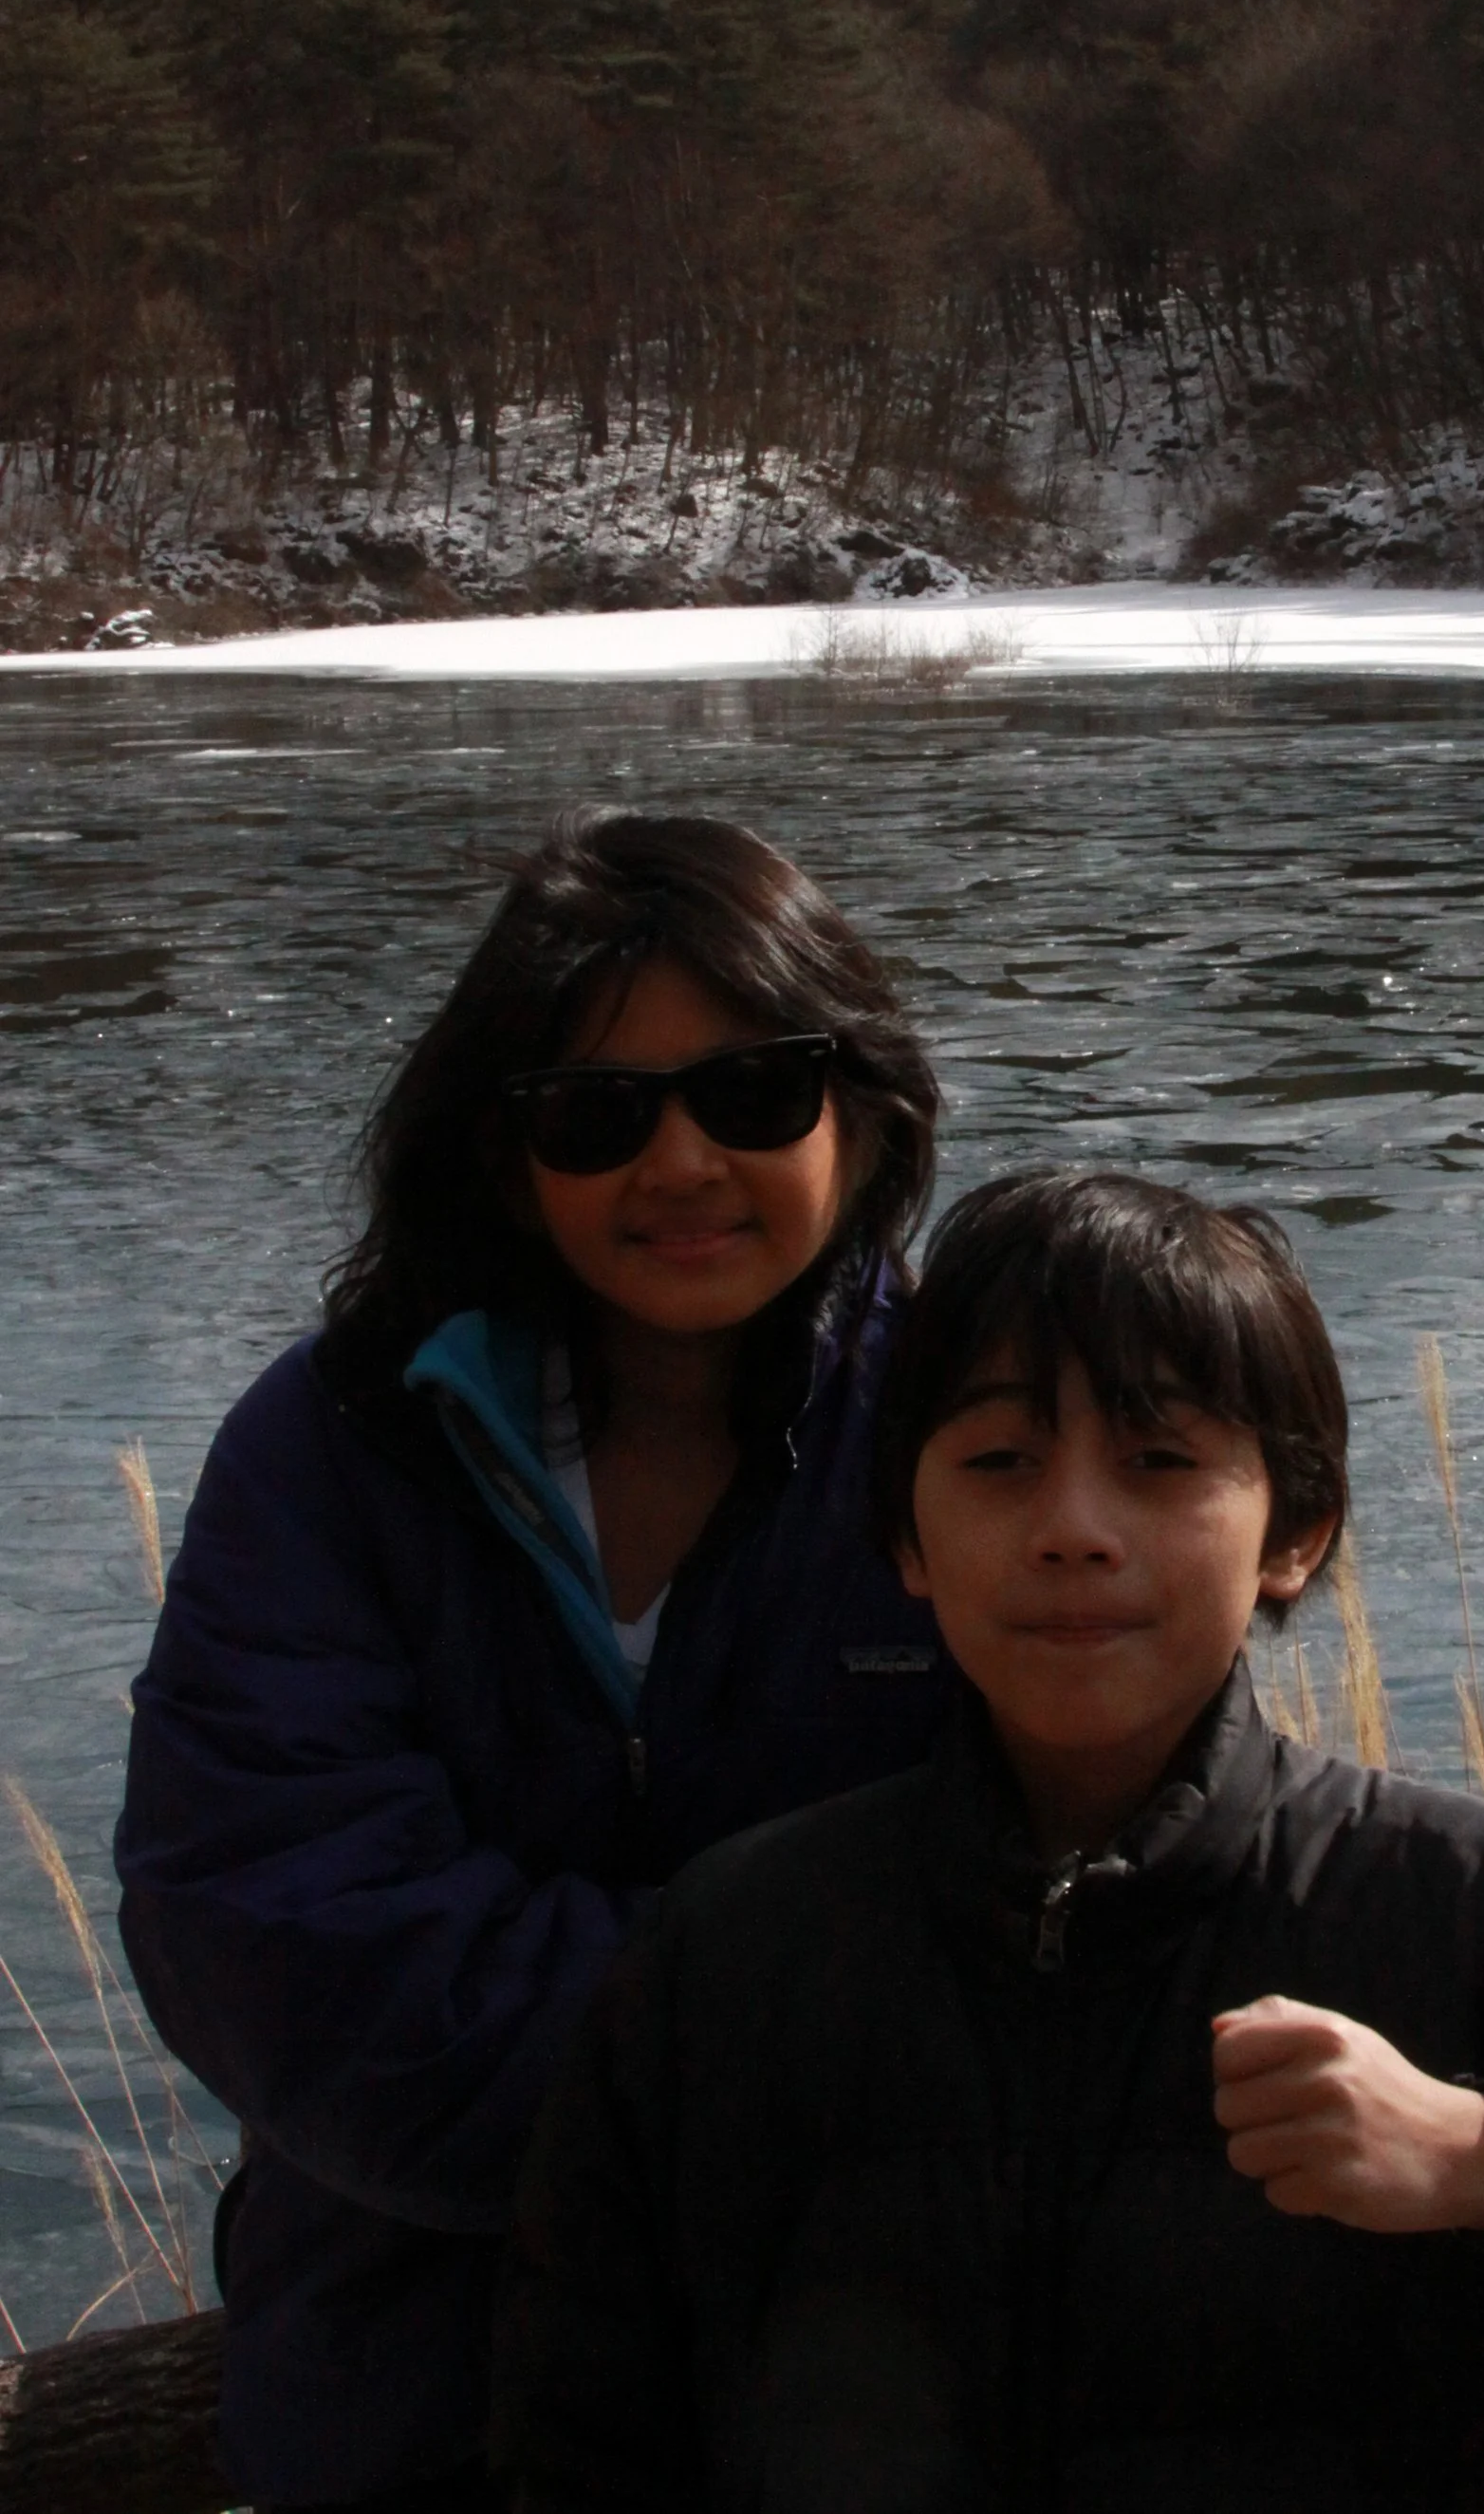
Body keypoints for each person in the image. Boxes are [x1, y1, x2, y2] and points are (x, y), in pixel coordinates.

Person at [494, 1166, 1484, 2514]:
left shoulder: (1459, 1910)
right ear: (905, 1533)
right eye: (998, 1460)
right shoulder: (740, 1946)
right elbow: (581, 2440)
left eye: (1160, 1462)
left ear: (1294, 1530)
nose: (1074, 1525)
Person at [115, 810, 952, 2514]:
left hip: (866, 2424)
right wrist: (830, 2028)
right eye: (596, 1112)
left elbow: (1103, 1893)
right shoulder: (335, 1447)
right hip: (419, 2412)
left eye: (753, 1092)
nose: (683, 1163)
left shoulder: (980, 1437)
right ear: (507, 1157)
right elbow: (287, 1957)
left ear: (863, 1118)